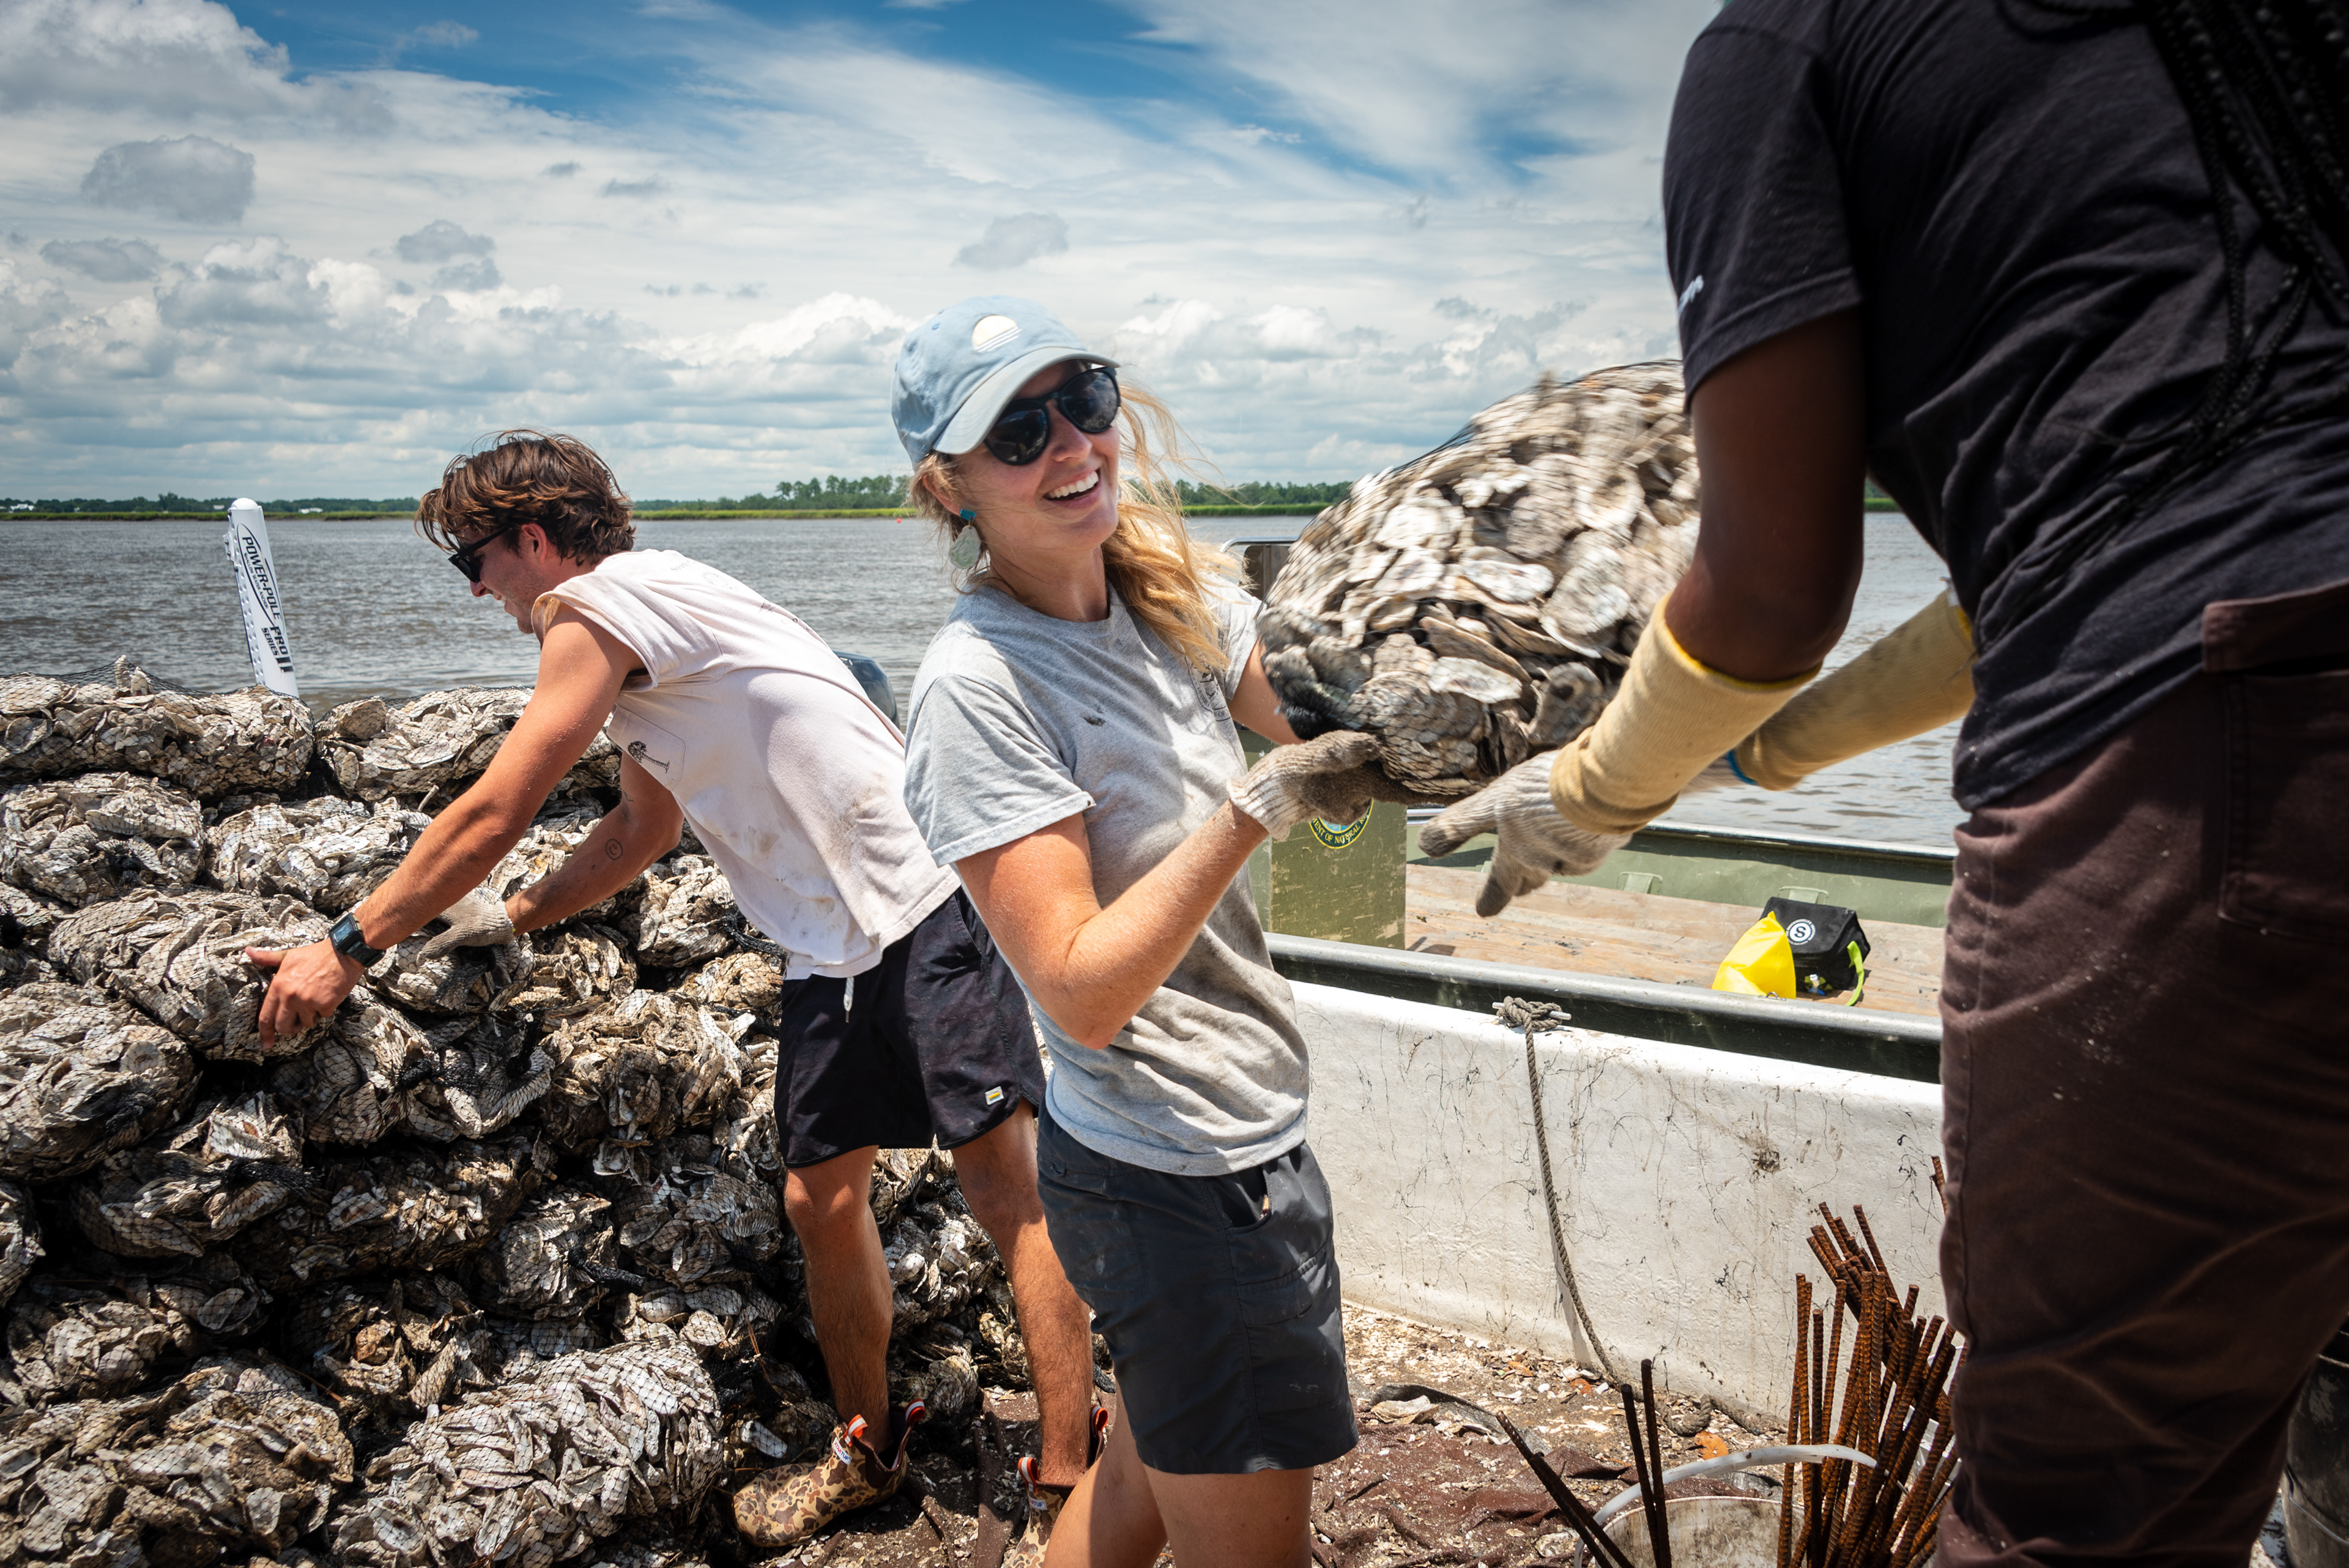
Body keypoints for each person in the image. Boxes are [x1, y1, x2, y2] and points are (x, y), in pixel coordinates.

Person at [1434, 2, 2349, 1561]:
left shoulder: (1788, 48)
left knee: (2079, 1516)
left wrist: (1592, 794)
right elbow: (2037, 582)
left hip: (2235, 772)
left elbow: (1775, 594)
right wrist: (1763, 754)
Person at [240, 431, 1099, 1550]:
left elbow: (498, 805)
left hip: (927, 898)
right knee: (819, 1202)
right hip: (828, 944)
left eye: (476, 562)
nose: (477, 590)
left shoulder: (602, 607)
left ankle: (1070, 1482)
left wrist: (348, 944)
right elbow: (639, 829)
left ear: (534, 541)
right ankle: (869, 1451)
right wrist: (512, 915)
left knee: (1003, 1190)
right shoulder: (649, 635)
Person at [892, 297, 1386, 1568]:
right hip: (1173, 1175)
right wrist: (1254, 810)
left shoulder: (1173, 592)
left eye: (1086, 401)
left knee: (1134, 1494)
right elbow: (1077, 994)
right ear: (950, 489)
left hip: (1246, 1125)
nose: (1071, 445)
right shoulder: (977, 689)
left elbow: (1334, 721)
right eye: (1016, 431)